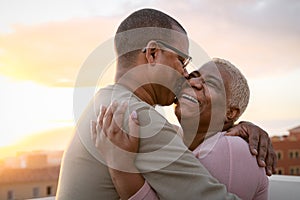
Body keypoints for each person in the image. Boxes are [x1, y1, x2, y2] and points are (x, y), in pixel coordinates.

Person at [57, 8, 275, 200]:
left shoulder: (104, 101)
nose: (186, 74)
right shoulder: (139, 120)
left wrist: (239, 126)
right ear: (153, 54)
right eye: (182, 61)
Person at [94, 58, 269, 199]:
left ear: (230, 112)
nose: (193, 83)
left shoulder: (231, 149)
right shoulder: (174, 139)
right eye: (192, 76)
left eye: (212, 84)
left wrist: (121, 167)